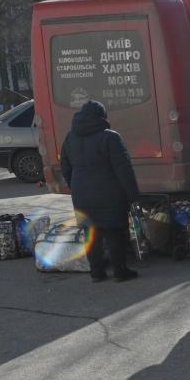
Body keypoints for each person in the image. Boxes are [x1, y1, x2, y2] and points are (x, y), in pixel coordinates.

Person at [60, 101, 141, 282]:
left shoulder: (70, 137)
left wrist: (75, 186)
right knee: (114, 231)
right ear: (101, 116)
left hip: (81, 193)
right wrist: (133, 195)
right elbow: (124, 169)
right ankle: (120, 271)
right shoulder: (110, 137)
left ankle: (96, 272)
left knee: (90, 233)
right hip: (109, 192)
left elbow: (65, 166)